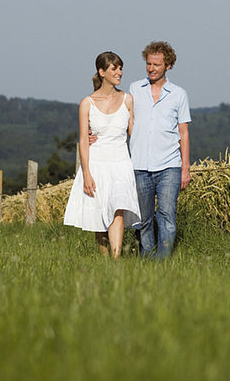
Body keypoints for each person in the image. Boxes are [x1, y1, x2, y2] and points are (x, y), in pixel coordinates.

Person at [64, 51, 141, 259]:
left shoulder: (128, 100)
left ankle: (116, 261)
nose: (120, 73)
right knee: (99, 213)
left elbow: (135, 134)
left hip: (121, 162)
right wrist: (86, 173)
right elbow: (83, 140)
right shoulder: (86, 103)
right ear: (102, 71)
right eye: (114, 68)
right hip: (96, 162)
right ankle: (105, 260)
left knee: (118, 209)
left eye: (120, 68)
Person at [129, 41, 191, 258]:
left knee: (167, 216)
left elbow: (183, 133)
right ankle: (147, 260)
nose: (151, 68)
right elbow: (124, 120)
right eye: (148, 64)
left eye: (156, 64)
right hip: (139, 164)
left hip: (169, 166)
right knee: (143, 219)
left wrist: (185, 168)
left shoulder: (179, 94)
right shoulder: (135, 89)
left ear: (168, 66)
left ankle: (162, 262)